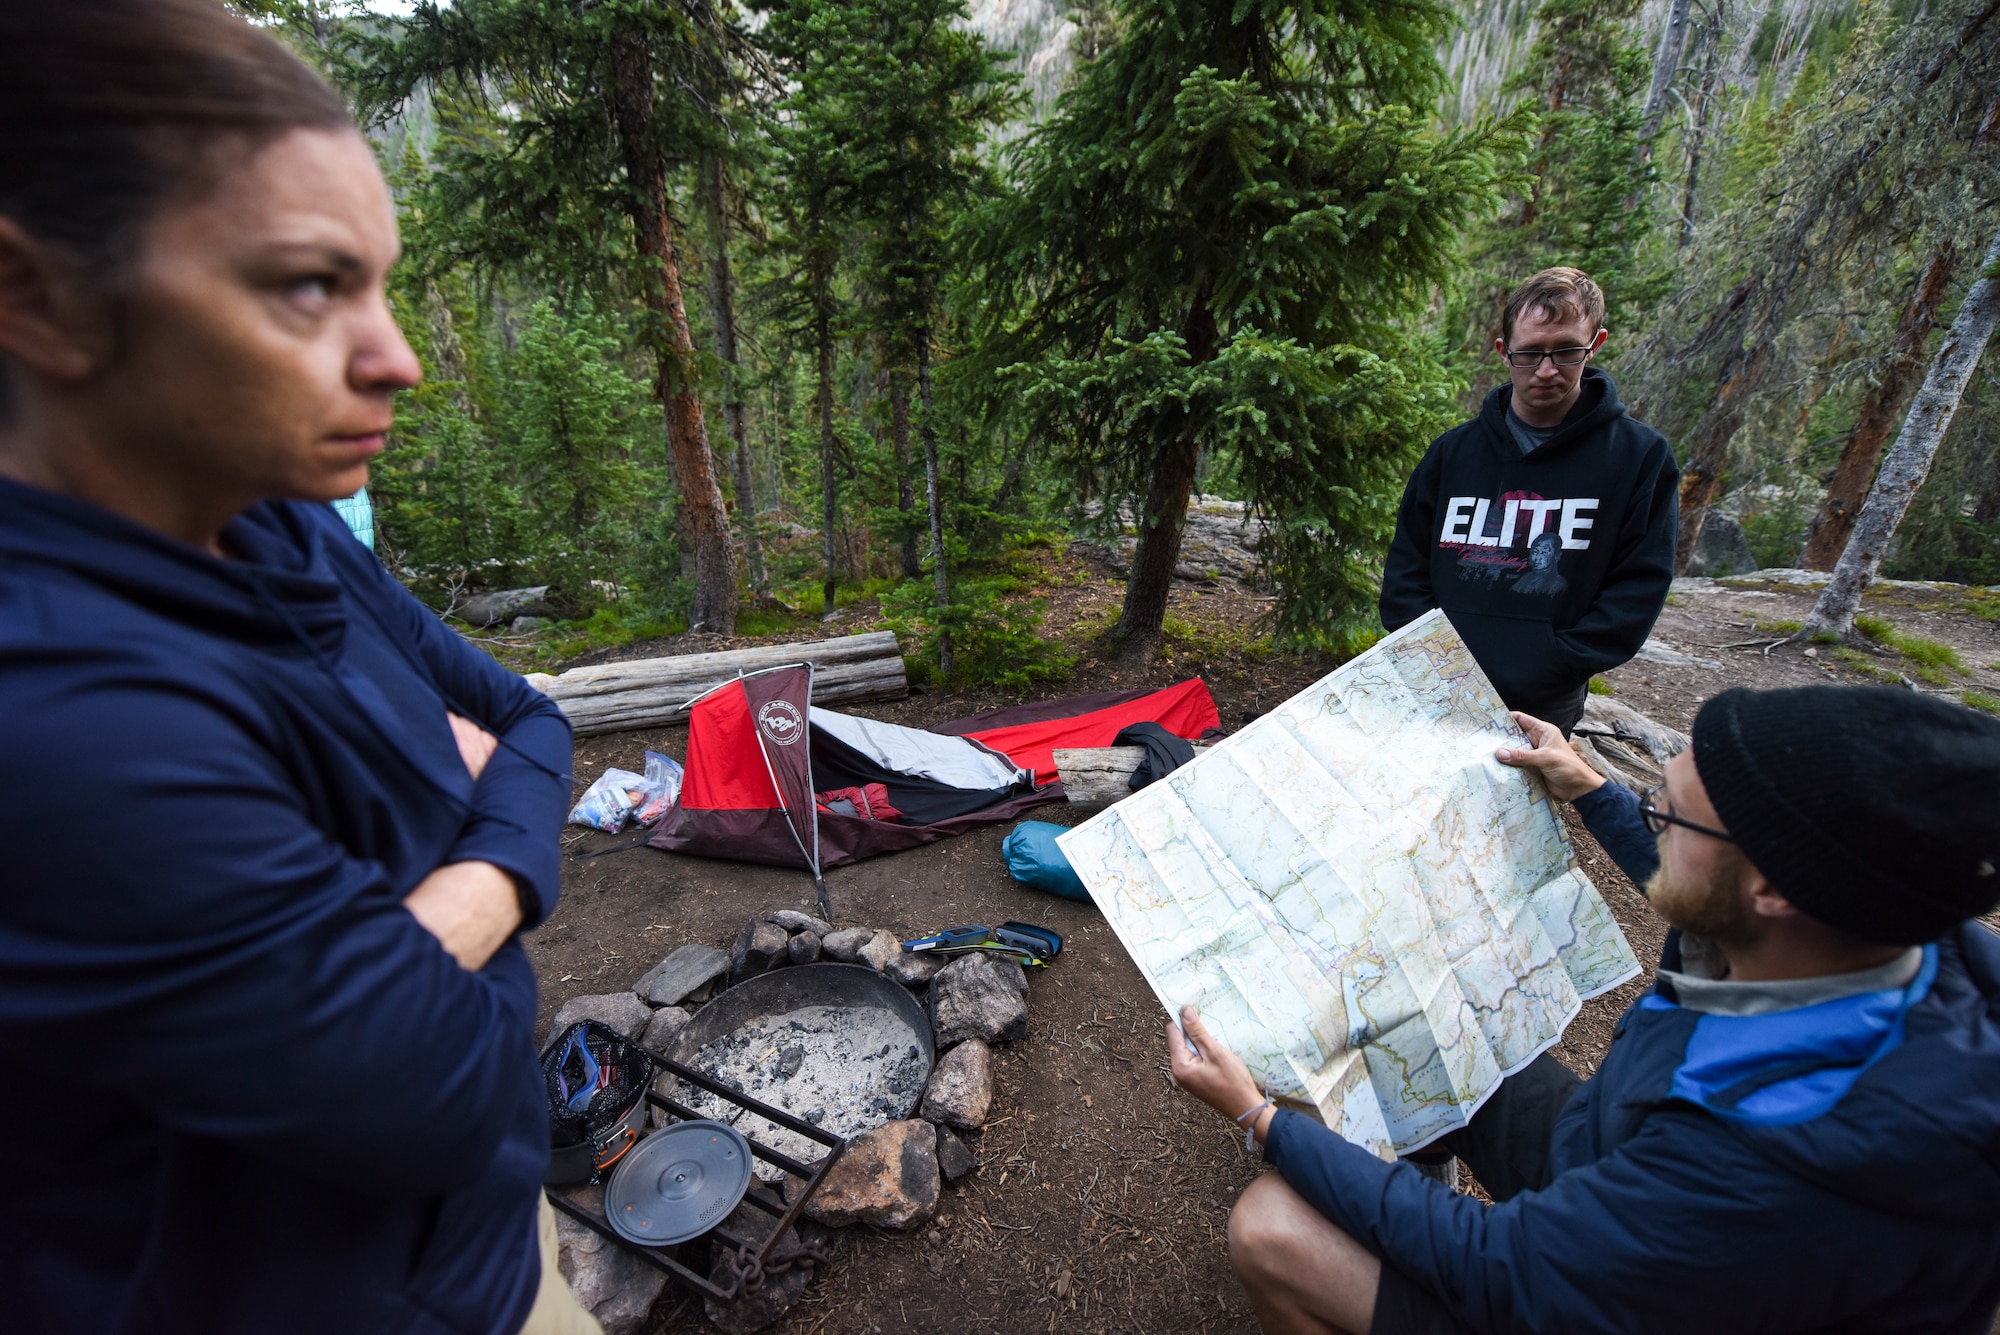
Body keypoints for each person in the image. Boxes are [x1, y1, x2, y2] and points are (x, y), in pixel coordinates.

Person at [0, 4, 597, 1332]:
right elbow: (436, 1088)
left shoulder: (280, 525)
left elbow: (532, 719)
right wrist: (507, 844)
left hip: (482, 1260)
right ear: (35, 297)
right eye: (308, 285)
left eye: (380, 283)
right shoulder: (57, 717)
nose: (400, 357)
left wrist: (459, 890)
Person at [1167, 685, 2000, 1335]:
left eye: (1668, 816)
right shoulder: (1884, 931)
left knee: (1272, 1223)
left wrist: (1260, 1117)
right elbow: (1705, 896)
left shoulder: (1769, 1168)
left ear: (1776, 888)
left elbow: (1503, 1267)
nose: (1653, 820)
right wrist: (1597, 791)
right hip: (1610, 1162)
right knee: (1439, 1028)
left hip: (1599, 1283)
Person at [1379, 268, 1679, 733]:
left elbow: (1640, 582)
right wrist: (1423, 650)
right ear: (1504, 351)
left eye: (1565, 351)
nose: (1546, 370)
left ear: (1594, 345)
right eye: (1530, 353)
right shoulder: (1454, 452)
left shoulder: (1638, 456)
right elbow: (1407, 562)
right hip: (1434, 679)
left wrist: (1560, 660)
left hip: (1544, 697)